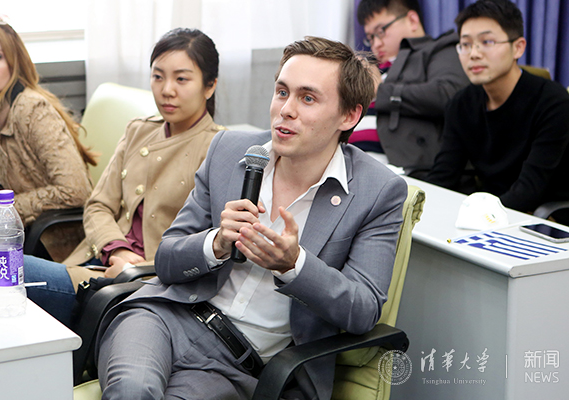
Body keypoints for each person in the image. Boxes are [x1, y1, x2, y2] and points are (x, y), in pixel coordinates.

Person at [96, 36, 408, 400]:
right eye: (282, 92)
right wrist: (216, 243)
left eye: (307, 98)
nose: (285, 110)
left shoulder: (377, 191)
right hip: (166, 318)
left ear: (349, 115)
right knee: (132, 390)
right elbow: (166, 259)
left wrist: (294, 265)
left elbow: (363, 309)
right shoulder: (230, 151)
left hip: (241, 366)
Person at [22, 28, 224, 329]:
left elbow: (211, 245)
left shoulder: (218, 149)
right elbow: (98, 205)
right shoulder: (138, 131)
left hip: (146, 282)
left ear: (209, 86)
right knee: (3, 274)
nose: (167, 90)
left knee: (11, 273)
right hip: (99, 259)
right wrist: (117, 249)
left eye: (181, 79)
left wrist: (133, 266)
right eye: (158, 77)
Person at [0, 16, 95, 264]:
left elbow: (76, 190)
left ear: (14, 62)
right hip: (11, 229)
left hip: (47, 241)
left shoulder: (32, 110)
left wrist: (8, 206)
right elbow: (1, 175)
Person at [426, 0, 569, 223]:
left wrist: (479, 218)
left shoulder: (553, 102)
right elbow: (443, 175)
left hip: (544, 221)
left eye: (487, 42)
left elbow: (530, 190)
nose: (474, 54)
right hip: (491, 216)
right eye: (465, 44)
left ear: (518, 47)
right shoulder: (461, 104)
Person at [357, 0, 469, 175]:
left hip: (407, 174)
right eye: (370, 37)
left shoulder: (438, 50)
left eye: (381, 31)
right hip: (351, 170)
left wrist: (381, 90)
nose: (376, 44)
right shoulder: (371, 68)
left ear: (412, 20)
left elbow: (448, 94)